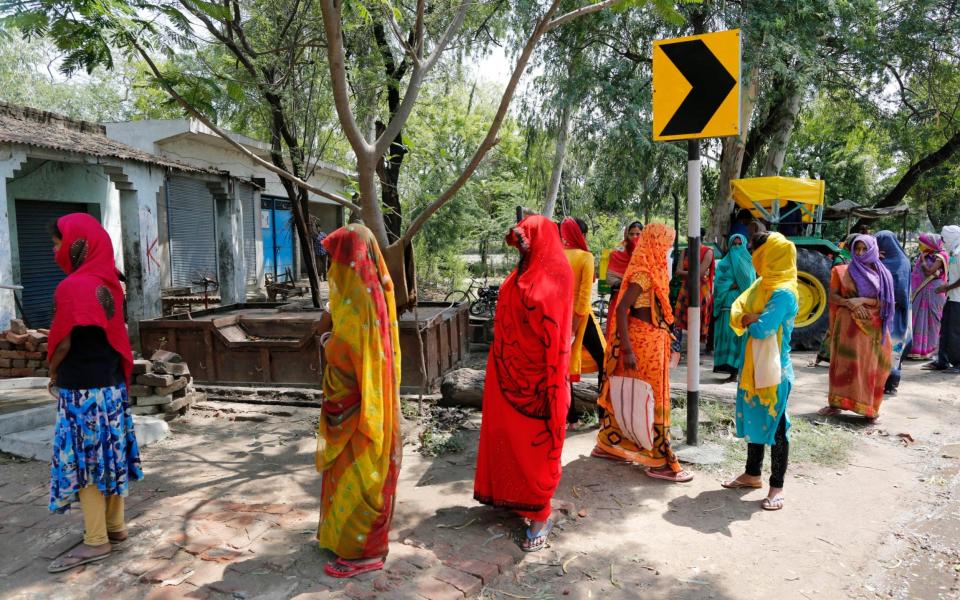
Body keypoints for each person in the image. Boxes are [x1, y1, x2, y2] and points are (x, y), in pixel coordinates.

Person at [44, 214, 142, 573]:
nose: (55, 251)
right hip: (112, 390)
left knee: (86, 466)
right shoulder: (109, 281)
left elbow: (64, 341)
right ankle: (115, 527)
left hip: (82, 393)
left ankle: (95, 541)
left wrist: (51, 371)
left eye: (57, 244)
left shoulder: (72, 286)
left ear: (77, 245)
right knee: (110, 458)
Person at [474, 215, 573, 552]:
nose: (520, 249)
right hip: (506, 375)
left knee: (536, 445)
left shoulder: (557, 275)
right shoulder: (518, 276)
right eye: (519, 244)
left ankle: (540, 513)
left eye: (524, 243)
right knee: (507, 438)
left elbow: (555, 332)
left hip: (540, 378)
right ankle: (515, 499)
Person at [316, 224, 401, 578]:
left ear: (350, 258)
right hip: (361, 402)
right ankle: (343, 537)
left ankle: (364, 551)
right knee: (348, 473)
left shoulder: (360, 301)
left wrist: (327, 343)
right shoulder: (373, 292)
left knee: (359, 473)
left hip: (359, 407)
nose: (332, 266)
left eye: (336, 257)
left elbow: (351, 351)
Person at [593, 223, 693, 483]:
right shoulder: (643, 274)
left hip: (651, 340)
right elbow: (621, 310)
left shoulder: (653, 270)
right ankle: (660, 461)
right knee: (653, 396)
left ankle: (609, 446)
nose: (669, 248)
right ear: (656, 244)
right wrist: (626, 348)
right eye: (666, 243)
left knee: (636, 393)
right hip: (642, 343)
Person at [721, 232, 799, 511]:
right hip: (754, 364)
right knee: (756, 420)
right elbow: (740, 311)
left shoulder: (783, 292)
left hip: (775, 370)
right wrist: (750, 317)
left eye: (759, 254)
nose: (754, 259)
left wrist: (752, 319)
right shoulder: (762, 284)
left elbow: (763, 328)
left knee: (778, 428)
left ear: (772, 257)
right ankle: (752, 474)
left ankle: (776, 487)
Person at [819, 235, 894, 420]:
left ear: (872, 249)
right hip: (847, 327)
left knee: (872, 366)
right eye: (857, 249)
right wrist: (849, 303)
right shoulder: (842, 271)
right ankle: (836, 404)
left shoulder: (883, 274)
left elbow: (887, 302)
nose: (860, 253)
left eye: (864, 249)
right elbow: (833, 297)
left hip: (873, 329)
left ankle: (869, 408)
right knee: (844, 363)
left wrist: (861, 300)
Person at [560, 218, 607, 424]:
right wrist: (575, 326)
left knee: (564, 364)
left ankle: (570, 418)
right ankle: (605, 415)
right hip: (580, 315)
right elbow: (584, 295)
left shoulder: (556, 255)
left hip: (559, 314)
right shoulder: (586, 257)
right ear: (582, 235)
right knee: (606, 360)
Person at [712, 234, 756, 383]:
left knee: (739, 338)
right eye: (734, 245)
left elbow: (750, 283)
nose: (737, 247)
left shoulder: (750, 263)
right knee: (726, 335)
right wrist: (731, 284)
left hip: (742, 307)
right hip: (726, 305)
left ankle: (738, 371)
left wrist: (737, 284)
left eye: (739, 244)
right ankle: (730, 370)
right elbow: (719, 283)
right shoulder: (724, 263)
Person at [876, 231, 912, 394]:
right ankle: (884, 382)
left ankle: (891, 383)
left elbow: (901, 289)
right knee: (885, 347)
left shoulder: (900, 262)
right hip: (886, 309)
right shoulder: (881, 260)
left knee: (892, 346)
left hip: (895, 311)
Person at [923, 225, 960, 371]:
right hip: (952, 298)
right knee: (945, 330)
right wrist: (947, 286)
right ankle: (942, 360)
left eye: (945, 238)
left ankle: (957, 363)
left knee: (955, 332)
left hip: (958, 299)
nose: (943, 241)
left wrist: (947, 287)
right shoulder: (954, 252)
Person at [674, 228, 715, 346]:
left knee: (698, 319)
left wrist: (687, 273)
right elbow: (678, 272)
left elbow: (699, 274)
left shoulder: (708, 251)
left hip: (701, 290)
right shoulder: (685, 251)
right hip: (686, 288)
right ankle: (677, 346)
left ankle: (695, 348)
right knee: (679, 318)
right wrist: (694, 273)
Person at [911, 233, 949, 360]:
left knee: (933, 320)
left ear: (929, 244)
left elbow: (928, 272)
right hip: (923, 291)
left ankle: (930, 350)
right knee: (919, 318)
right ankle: (917, 350)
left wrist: (922, 262)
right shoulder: (928, 254)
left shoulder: (940, 256)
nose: (920, 246)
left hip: (934, 292)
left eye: (922, 243)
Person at [605, 221, 643, 335]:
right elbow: (609, 277)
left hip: (640, 302)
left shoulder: (646, 254)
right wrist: (625, 284)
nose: (635, 237)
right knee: (616, 332)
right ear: (627, 235)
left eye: (638, 234)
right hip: (619, 299)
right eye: (631, 234)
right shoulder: (617, 253)